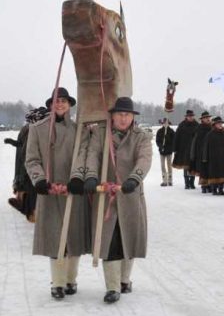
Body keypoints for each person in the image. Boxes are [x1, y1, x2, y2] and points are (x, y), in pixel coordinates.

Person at [75, 96, 152, 304]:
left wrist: (134, 179)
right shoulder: (101, 134)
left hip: (130, 194)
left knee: (130, 238)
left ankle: (125, 280)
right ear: (113, 116)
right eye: (120, 114)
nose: (124, 118)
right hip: (105, 196)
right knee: (110, 240)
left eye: (127, 115)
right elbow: (93, 155)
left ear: (132, 117)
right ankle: (112, 287)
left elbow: (144, 159)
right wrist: (90, 176)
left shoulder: (141, 137)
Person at [25, 87, 91, 299]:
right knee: (55, 237)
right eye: (56, 101)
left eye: (64, 101)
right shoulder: (38, 129)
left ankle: (71, 279)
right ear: (50, 105)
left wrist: (77, 177)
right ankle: (58, 283)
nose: (60, 104)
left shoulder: (80, 129)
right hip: (50, 192)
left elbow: (84, 155)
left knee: (75, 237)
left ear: (70, 104)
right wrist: (40, 179)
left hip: (74, 189)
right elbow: (32, 160)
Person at [200, 116, 224, 195]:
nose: (220, 125)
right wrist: (205, 157)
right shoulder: (210, 134)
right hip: (213, 158)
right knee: (214, 173)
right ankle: (214, 189)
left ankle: (221, 189)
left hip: (222, 157)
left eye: (221, 123)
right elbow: (205, 146)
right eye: (218, 123)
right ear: (214, 125)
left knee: (223, 173)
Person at [172, 109, 198, 189]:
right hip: (183, 148)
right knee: (186, 166)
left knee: (193, 166)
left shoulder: (197, 125)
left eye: (192, 116)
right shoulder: (182, 125)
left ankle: (192, 182)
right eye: (189, 116)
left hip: (194, 148)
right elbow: (177, 137)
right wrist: (175, 148)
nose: (190, 117)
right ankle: (186, 183)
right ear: (186, 117)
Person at [190, 112, 213, 193]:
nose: (207, 119)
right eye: (205, 117)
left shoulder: (212, 127)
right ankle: (204, 185)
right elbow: (194, 142)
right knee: (203, 170)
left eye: (208, 117)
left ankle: (210, 185)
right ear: (202, 119)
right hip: (200, 152)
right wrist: (193, 154)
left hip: (211, 151)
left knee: (210, 169)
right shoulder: (199, 128)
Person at [155, 117, 175, 186]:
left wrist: (168, 138)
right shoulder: (159, 131)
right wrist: (161, 146)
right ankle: (164, 181)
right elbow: (157, 141)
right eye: (164, 123)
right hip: (162, 151)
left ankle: (170, 180)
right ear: (162, 124)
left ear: (168, 124)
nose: (165, 124)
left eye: (166, 123)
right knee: (162, 166)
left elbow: (173, 141)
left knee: (169, 165)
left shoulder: (171, 131)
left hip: (169, 151)